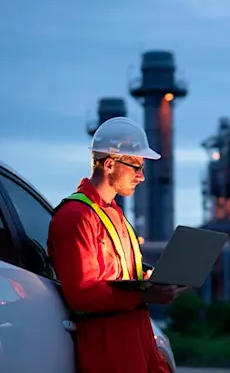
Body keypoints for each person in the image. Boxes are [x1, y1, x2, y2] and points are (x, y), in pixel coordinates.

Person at [48, 116, 181, 373]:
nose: (141, 177)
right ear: (110, 164)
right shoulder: (75, 217)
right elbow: (82, 295)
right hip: (108, 342)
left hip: (137, 333)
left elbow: (122, 274)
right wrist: (145, 294)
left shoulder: (114, 215)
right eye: (136, 167)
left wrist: (151, 278)